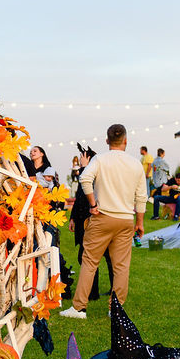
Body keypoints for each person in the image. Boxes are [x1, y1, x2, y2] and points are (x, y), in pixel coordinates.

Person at [60, 124, 146, 319]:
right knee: (121, 266)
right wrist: (139, 223)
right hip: (125, 219)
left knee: (90, 261)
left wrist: (92, 204)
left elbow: (84, 179)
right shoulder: (135, 164)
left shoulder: (99, 159)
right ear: (125, 140)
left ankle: (79, 307)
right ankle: (115, 310)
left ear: (107, 141)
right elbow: (141, 197)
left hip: (102, 217)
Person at [68, 146, 114, 300]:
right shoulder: (87, 173)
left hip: (92, 221)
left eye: (82, 156)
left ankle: (100, 292)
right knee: (88, 257)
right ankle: (94, 292)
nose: (80, 159)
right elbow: (78, 197)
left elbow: (84, 197)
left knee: (94, 256)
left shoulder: (92, 174)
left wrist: (83, 168)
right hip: (83, 220)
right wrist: (72, 218)